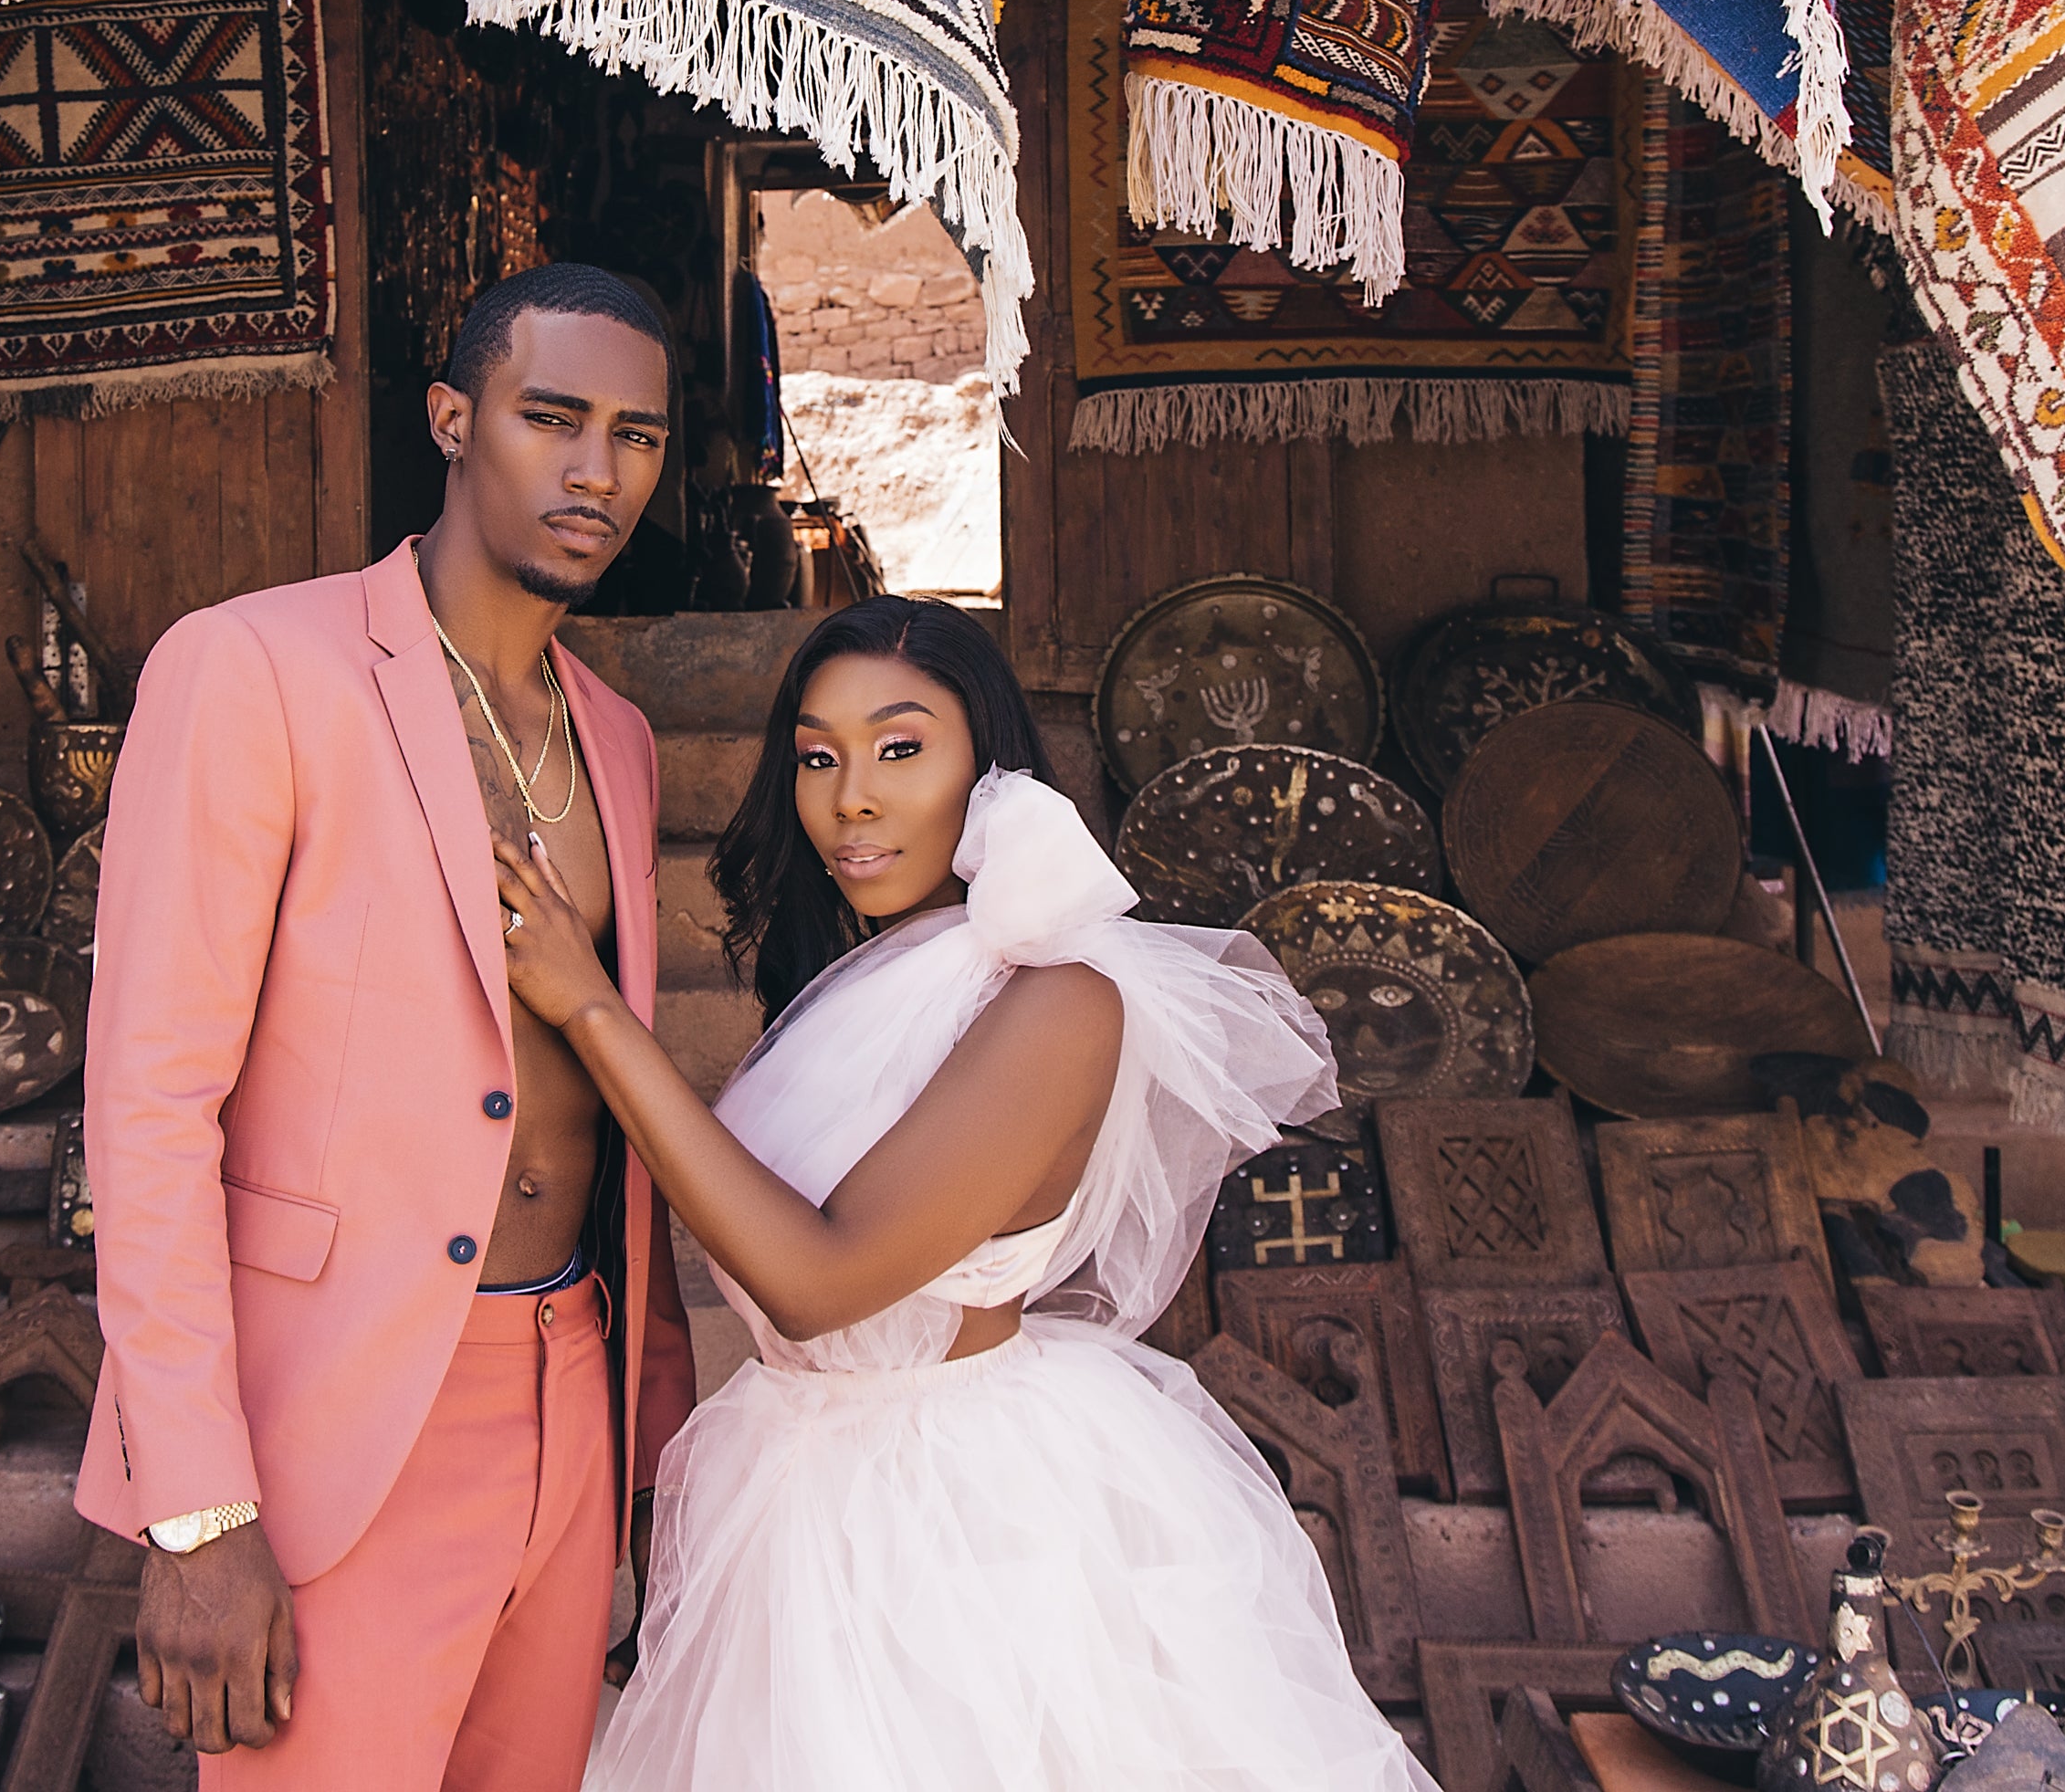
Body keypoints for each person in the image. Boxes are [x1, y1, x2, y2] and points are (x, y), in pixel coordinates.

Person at [487, 597, 1439, 1792]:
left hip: (952, 1519)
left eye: (900, 748)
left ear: (984, 768)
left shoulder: (1060, 1002)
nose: (852, 799)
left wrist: (589, 1012)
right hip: (799, 1482)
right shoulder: (873, 974)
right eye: (817, 758)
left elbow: (817, 1277)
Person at [78, 261, 702, 1787]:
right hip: (340, 1416)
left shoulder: (616, 740)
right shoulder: (255, 670)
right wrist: (201, 1512)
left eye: (636, 436)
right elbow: (150, 1106)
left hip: (574, 1378)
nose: (593, 471)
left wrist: (650, 1446)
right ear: (450, 418)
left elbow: (609, 1118)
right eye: (549, 418)